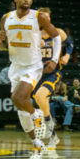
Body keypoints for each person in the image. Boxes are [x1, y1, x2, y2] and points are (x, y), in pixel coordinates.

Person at [0, 0, 61, 159]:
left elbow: (57, 37)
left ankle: (36, 114)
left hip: (32, 66)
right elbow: (3, 46)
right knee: (20, 109)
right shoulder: (6, 18)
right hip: (15, 66)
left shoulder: (39, 16)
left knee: (17, 98)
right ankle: (37, 144)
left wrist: (54, 59)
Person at [31, 8, 73, 148]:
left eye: (48, 17)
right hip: (37, 73)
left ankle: (49, 127)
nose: (46, 20)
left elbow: (70, 44)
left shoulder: (57, 32)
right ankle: (53, 134)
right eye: (43, 18)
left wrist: (66, 55)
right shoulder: (34, 34)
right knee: (41, 102)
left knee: (40, 95)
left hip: (52, 73)